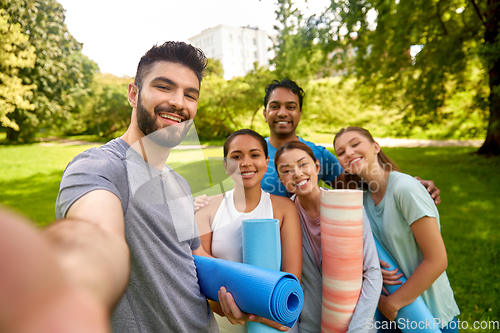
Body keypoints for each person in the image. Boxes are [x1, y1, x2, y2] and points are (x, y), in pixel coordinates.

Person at [0, 41, 258, 333]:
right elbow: (95, 240)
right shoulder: (99, 167)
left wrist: (245, 295)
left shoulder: (180, 184)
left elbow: (194, 262)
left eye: (190, 95)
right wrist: (70, 287)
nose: (178, 102)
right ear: (133, 94)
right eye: (164, 87)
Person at [333, 127, 460, 332]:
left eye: (355, 144)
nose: (348, 153)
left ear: (376, 147)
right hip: (389, 318)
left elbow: (437, 260)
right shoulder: (360, 202)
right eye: (341, 152)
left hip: (429, 313)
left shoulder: (405, 188)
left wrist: (392, 304)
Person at [195, 129, 303, 332]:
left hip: (272, 324)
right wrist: (227, 307)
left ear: (266, 162)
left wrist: (257, 316)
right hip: (223, 322)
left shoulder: (284, 209)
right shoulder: (206, 209)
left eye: (254, 155)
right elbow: (200, 273)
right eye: (236, 156)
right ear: (226, 166)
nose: (245, 163)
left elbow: (291, 280)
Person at [274, 141, 382, 333]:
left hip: (355, 323)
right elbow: (286, 281)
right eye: (287, 170)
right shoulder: (283, 218)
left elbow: (372, 271)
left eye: (302, 164)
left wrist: (358, 328)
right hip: (308, 325)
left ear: (317, 166)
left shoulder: (348, 207)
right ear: (281, 179)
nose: (297, 173)